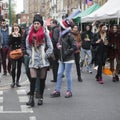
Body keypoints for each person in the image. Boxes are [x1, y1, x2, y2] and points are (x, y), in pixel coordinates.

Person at [26, 14, 53, 107]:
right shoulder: (30, 35)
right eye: (34, 23)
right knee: (33, 79)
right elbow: (27, 47)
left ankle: (41, 97)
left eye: (37, 23)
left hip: (43, 61)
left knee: (42, 80)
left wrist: (46, 55)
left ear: (41, 24)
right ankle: (31, 99)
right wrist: (30, 55)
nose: (36, 25)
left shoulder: (45, 35)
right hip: (33, 61)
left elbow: (50, 47)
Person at [50, 19, 77, 98]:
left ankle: (69, 91)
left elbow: (74, 46)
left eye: (60, 27)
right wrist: (58, 46)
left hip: (68, 58)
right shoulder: (61, 35)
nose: (59, 28)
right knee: (59, 74)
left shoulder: (70, 35)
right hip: (62, 58)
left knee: (68, 74)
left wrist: (66, 52)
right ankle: (57, 91)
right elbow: (60, 44)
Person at [8, 23, 23, 88]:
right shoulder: (11, 35)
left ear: (19, 29)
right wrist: (13, 36)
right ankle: (13, 81)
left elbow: (22, 42)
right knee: (13, 67)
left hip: (19, 52)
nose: (16, 29)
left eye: (17, 28)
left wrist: (19, 36)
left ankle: (17, 81)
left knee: (19, 67)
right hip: (13, 52)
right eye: (15, 28)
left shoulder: (21, 35)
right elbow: (9, 43)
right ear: (13, 29)